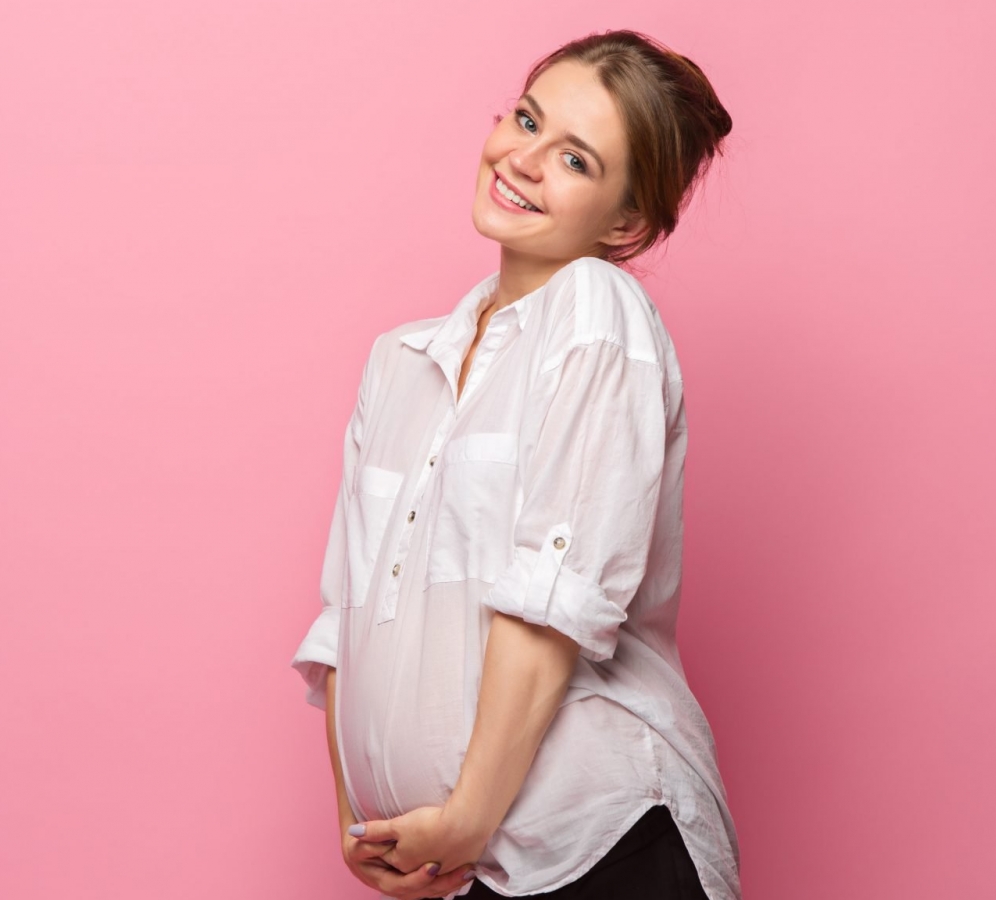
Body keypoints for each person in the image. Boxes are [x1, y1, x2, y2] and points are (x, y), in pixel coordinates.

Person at [289, 29, 738, 900]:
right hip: (457, 867)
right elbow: (347, 616)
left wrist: (468, 817)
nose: (523, 160)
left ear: (626, 221)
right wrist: (369, 825)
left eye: (573, 159)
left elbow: (554, 601)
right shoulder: (400, 362)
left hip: (593, 851)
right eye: (526, 120)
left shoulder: (597, 308)